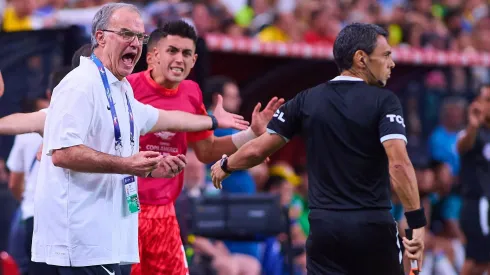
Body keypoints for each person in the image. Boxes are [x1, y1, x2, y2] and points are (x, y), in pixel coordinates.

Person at [31, 3, 248, 275]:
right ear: (100, 37)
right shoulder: (81, 84)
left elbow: (168, 118)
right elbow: (63, 152)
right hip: (83, 237)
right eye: (126, 34)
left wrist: (216, 122)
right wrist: (128, 165)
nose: (135, 43)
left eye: (139, 37)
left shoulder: (121, 89)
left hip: (118, 230)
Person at [211, 22, 426, 275]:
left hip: (325, 230)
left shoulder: (305, 100)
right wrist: (416, 223)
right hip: (372, 228)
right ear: (361, 58)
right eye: (386, 55)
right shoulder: (385, 101)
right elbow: (399, 163)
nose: (392, 63)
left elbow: (259, 149)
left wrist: (226, 165)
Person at [127, 20, 282, 275]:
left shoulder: (191, 93)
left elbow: (207, 151)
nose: (180, 59)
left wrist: (250, 134)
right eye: (172, 51)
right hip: (127, 209)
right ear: (153, 56)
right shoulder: (128, 89)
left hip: (167, 213)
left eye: (187, 53)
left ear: (195, 60)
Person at [456, 83, 490, 275]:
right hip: (477, 206)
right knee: (475, 262)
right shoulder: (472, 132)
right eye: (488, 100)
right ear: (477, 104)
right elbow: (462, 146)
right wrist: (473, 125)